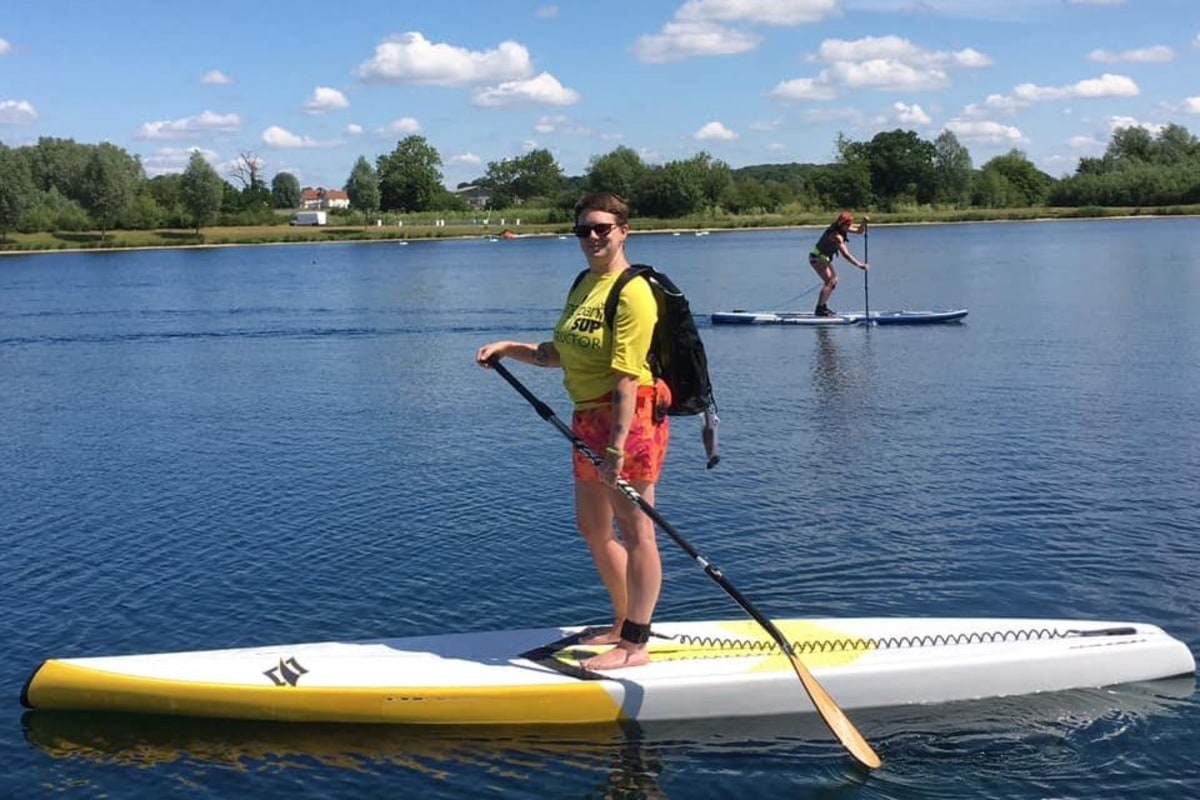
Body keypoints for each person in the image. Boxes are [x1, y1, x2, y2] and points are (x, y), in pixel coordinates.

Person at [476, 192, 669, 671]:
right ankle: (623, 621)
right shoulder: (584, 283)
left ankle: (636, 644)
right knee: (593, 527)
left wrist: (616, 449)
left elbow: (626, 376)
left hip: (631, 418)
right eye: (584, 230)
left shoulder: (633, 291)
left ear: (624, 230)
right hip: (587, 416)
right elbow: (558, 352)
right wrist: (510, 347)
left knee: (636, 528)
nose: (594, 237)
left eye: (603, 227)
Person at [809, 211, 869, 316]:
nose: (849, 226)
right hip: (817, 258)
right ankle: (819, 310)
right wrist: (860, 265)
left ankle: (822, 307)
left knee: (834, 280)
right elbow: (846, 254)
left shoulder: (842, 227)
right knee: (830, 281)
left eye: (850, 224)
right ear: (842, 224)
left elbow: (859, 231)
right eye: (848, 224)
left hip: (823, 259)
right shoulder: (836, 235)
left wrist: (863, 223)